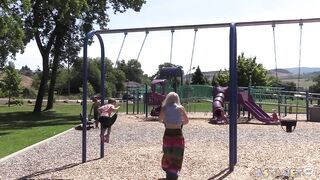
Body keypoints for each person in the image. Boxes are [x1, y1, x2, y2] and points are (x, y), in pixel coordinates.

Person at [158, 92, 189, 180]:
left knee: (168, 152)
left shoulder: (164, 108)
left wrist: (166, 121)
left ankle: (168, 170)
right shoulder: (181, 108)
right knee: (177, 153)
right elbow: (186, 121)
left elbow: (160, 120)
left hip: (168, 133)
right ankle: (174, 173)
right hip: (178, 133)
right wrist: (180, 122)